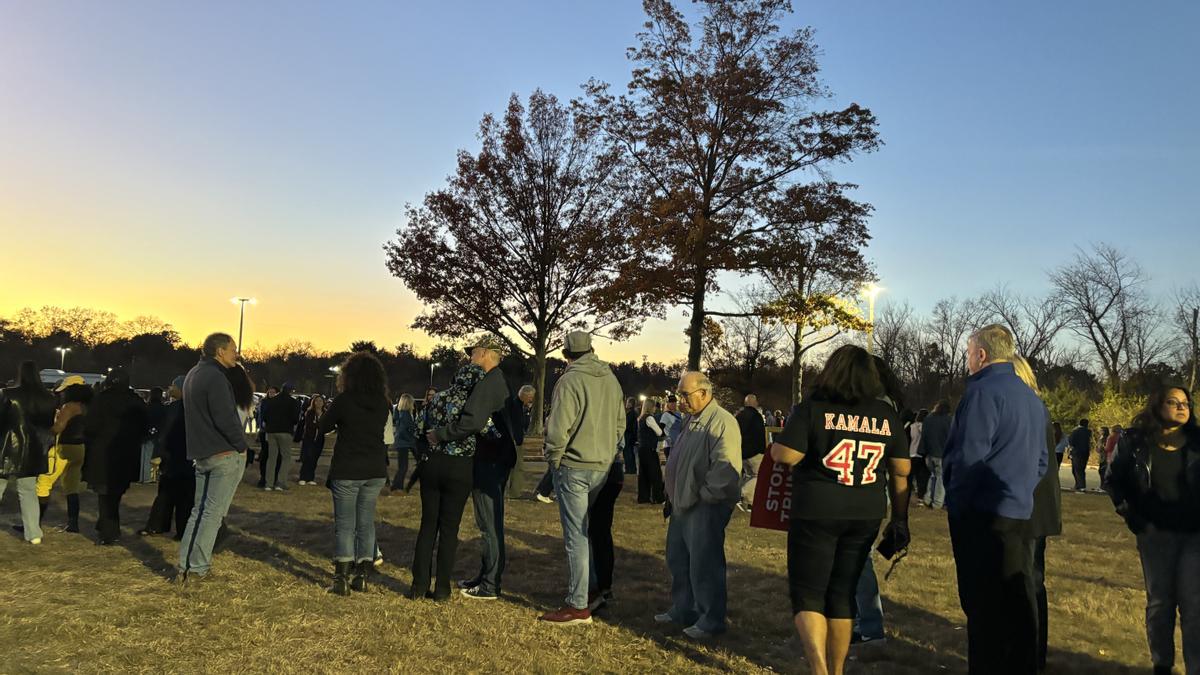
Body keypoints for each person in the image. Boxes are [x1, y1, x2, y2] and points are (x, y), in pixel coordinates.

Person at [767, 345, 910, 674]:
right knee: (842, 593)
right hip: (865, 512)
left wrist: (777, 446)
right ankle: (837, 668)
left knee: (809, 593)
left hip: (818, 509)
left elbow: (785, 456)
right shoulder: (885, 414)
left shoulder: (814, 407)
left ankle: (819, 670)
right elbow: (901, 469)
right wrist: (899, 518)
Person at [942, 324, 1048, 674]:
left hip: (983, 516)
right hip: (1019, 514)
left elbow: (968, 457)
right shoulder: (1030, 397)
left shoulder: (983, 393)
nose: (968, 359)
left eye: (969, 352)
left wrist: (956, 504)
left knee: (984, 611)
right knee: (1017, 607)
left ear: (982, 354)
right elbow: (1042, 461)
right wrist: (1019, 490)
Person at [1108, 385, 1200, 675]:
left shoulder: (1198, 442)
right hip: (1154, 534)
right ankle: (1162, 664)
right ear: (1157, 406)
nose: (1182, 407)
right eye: (1173, 402)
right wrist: (1128, 512)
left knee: (1194, 605)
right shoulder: (1135, 442)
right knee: (1160, 602)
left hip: (1194, 536)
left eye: (1186, 403)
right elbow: (1114, 480)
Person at [410, 338, 509, 601]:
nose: (470, 356)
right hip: (460, 467)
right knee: (450, 529)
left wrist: (432, 442)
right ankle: (442, 589)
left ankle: (418, 586)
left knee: (428, 525)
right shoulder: (477, 394)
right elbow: (488, 430)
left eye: (473, 352)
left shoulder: (439, 397)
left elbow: (419, 428)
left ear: (485, 353)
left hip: (435, 464)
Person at [538, 331, 624, 625]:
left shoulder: (570, 380)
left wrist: (554, 458)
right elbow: (620, 424)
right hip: (601, 465)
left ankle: (577, 605)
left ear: (566, 354)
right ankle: (591, 593)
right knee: (586, 531)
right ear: (591, 349)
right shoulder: (611, 380)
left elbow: (558, 426)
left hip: (574, 465)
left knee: (576, 535)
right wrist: (608, 452)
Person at [654, 371, 742, 640]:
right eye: (679, 394)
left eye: (685, 394)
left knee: (705, 563)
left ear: (704, 393)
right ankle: (684, 608)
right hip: (683, 503)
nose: (680, 400)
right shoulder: (693, 420)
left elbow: (725, 467)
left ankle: (710, 619)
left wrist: (705, 496)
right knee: (679, 559)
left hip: (704, 505)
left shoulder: (721, 422)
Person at [176, 333, 250, 584]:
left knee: (199, 512)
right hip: (223, 453)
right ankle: (197, 569)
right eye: (233, 350)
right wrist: (242, 446)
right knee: (212, 515)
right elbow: (225, 418)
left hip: (202, 453)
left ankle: (185, 566)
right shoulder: (216, 378)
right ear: (220, 351)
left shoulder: (193, 375)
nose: (236, 354)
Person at [319, 352, 390, 596]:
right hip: (374, 468)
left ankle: (341, 577)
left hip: (348, 467)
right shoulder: (383, 403)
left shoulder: (344, 400)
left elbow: (323, 427)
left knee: (345, 524)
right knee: (365, 522)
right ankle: (362, 574)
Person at [1009, 356, 1062, 674]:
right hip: (1034, 507)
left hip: (1025, 508)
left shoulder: (1022, 407)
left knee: (1027, 582)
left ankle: (1028, 655)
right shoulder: (1035, 406)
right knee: (1031, 581)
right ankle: (1031, 655)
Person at [461, 382, 526, 600]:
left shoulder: (487, 404)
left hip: (490, 464)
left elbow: (484, 430)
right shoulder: (500, 397)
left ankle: (490, 584)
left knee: (490, 526)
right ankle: (485, 576)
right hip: (497, 462)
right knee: (489, 525)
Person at [82, 367, 149, 545]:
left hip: (102, 452)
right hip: (126, 453)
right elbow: (145, 426)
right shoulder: (135, 401)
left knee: (105, 494)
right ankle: (106, 525)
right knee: (115, 493)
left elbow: (90, 426)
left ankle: (108, 531)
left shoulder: (101, 399)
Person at [0, 361, 56, 545]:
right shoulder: (48, 398)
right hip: (33, 449)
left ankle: (33, 532)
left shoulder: (8, 394)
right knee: (28, 491)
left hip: (7, 446)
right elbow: (47, 425)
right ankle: (34, 533)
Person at [36, 376, 92, 533]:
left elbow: (58, 428)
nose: (61, 394)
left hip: (63, 448)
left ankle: (34, 523)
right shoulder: (88, 406)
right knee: (71, 486)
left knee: (44, 482)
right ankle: (73, 524)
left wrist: (43, 432)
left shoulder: (69, 406)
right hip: (80, 448)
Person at [140, 376, 193, 539]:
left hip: (173, 456)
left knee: (166, 494)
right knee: (186, 497)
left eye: (173, 386)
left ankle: (157, 525)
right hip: (190, 457)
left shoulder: (174, 408)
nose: (170, 389)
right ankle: (183, 530)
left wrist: (158, 454)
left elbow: (164, 433)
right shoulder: (195, 408)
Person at [587, 441, 624, 612]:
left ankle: (597, 587)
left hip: (601, 470)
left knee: (595, 532)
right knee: (600, 531)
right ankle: (603, 586)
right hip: (612, 471)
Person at [260, 383, 300, 491]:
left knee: (271, 458)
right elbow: (295, 418)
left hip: (271, 431)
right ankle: (280, 482)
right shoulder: (293, 402)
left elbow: (265, 415)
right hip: (285, 431)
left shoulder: (272, 400)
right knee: (285, 457)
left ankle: (269, 483)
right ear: (290, 391)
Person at [735, 394, 766, 513]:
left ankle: (743, 498)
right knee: (757, 475)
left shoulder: (739, 416)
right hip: (754, 452)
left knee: (747, 475)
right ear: (754, 402)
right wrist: (762, 449)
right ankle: (746, 497)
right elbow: (759, 435)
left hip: (742, 451)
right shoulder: (756, 416)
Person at [920, 400, 952, 509]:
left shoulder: (928, 419)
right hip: (942, 454)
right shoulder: (949, 420)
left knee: (933, 475)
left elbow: (924, 436)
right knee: (940, 477)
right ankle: (937, 502)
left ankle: (928, 498)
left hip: (929, 453)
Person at [506, 384, 535, 496]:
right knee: (517, 468)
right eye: (530, 397)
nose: (531, 399)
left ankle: (513, 491)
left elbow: (525, 426)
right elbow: (521, 424)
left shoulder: (519, 406)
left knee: (516, 468)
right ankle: (514, 492)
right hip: (514, 441)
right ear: (524, 395)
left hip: (517, 440)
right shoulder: (515, 407)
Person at [636, 399, 665, 504]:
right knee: (655, 474)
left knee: (643, 475)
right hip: (649, 449)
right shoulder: (649, 418)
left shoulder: (641, 418)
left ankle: (643, 497)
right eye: (654, 406)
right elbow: (659, 432)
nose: (655, 408)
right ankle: (658, 497)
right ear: (650, 407)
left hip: (642, 448)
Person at [297, 395, 328, 486]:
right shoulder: (310, 412)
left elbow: (327, 425)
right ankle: (303, 477)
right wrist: (319, 425)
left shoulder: (325, 413)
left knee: (314, 458)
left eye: (321, 401)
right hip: (309, 438)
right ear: (313, 402)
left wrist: (321, 427)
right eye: (317, 401)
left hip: (319, 439)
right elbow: (309, 425)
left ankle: (310, 477)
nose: (319, 403)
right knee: (307, 457)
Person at [388, 394, 416, 491]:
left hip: (401, 442)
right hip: (404, 442)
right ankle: (396, 486)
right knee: (403, 467)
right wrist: (412, 439)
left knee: (403, 466)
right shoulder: (405, 414)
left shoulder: (401, 413)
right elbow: (403, 430)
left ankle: (396, 485)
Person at [908, 409, 930, 503]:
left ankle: (907, 494)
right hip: (921, 454)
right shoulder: (925, 427)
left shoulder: (911, 426)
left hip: (911, 453)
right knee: (921, 477)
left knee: (910, 476)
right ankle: (920, 497)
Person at [1068, 418, 1091, 492]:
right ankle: (1079, 485)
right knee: (1081, 469)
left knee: (1076, 469)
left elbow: (1071, 441)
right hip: (1085, 452)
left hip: (1077, 452)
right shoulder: (1088, 432)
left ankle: (1080, 485)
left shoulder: (1076, 431)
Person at [1102, 424, 1122, 491]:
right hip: (1120, 457)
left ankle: (1106, 487)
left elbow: (1108, 448)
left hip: (1111, 457)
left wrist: (1103, 447)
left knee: (1108, 473)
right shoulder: (1122, 437)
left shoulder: (1111, 437)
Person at [622, 396, 639, 475]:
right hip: (629, 435)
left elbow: (629, 425)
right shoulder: (631, 413)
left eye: (628, 402)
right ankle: (630, 469)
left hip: (629, 436)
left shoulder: (631, 414)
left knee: (628, 453)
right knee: (629, 453)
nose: (626, 404)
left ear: (631, 404)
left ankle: (630, 469)